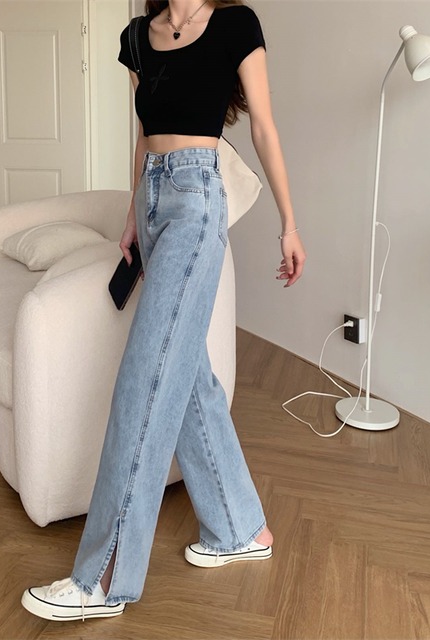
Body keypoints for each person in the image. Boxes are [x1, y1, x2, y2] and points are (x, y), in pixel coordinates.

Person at [21, 0, 305, 622]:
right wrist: (132, 213)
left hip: (198, 204)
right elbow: (143, 137)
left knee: (146, 377)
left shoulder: (235, 24)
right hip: (152, 204)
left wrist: (289, 223)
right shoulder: (136, 38)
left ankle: (101, 578)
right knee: (186, 375)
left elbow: (263, 128)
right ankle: (239, 527)